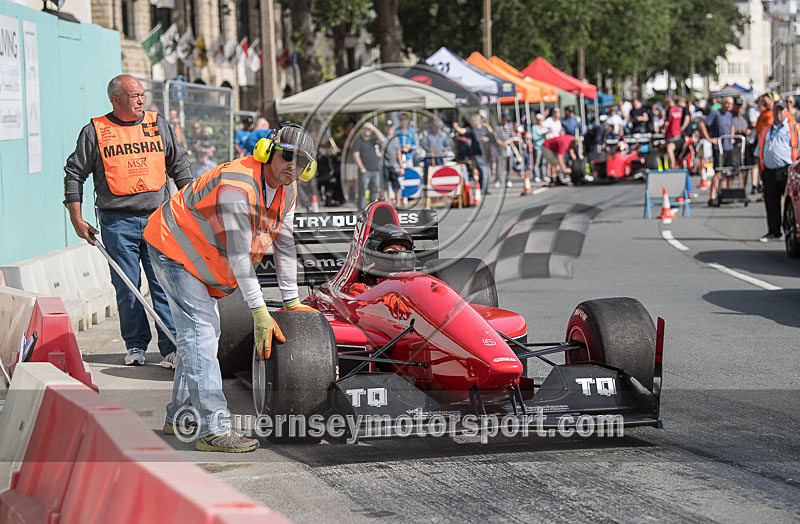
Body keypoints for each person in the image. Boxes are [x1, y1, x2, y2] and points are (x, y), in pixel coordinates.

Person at [144, 123, 319, 452]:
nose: (292, 167)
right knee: (202, 333)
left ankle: (181, 415)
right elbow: (240, 255)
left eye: (301, 162)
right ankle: (213, 429)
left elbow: (284, 245)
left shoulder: (289, 191)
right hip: (173, 248)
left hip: (198, 256)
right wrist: (259, 311)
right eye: (287, 157)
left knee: (197, 335)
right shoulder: (237, 186)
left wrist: (292, 301)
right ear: (267, 151)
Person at [63, 75, 189, 368]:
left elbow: (179, 164)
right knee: (127, 286)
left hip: (159, 219)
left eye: (142, 95)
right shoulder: (95, 132)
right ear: (115, 100)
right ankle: (135, 345)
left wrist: (191, 205)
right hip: (117, 222)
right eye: (134, 96)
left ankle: (170, 346)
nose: (141, 100)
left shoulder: (157, 125)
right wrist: (76, 218)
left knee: (163, 284)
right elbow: (74, 173)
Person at [754, 100, 800, 242]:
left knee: (789, 203)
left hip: (787, 170)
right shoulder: (766, 130)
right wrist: (760, 173)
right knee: (771, 202)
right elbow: (759, 152)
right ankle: (774, 232)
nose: (778, 113)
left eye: (781, 110)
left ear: (786, 111)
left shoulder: (794, 128)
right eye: (776, 110)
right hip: (769, 171)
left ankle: (790, 231)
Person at [344, 224, 417, 295]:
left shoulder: (422, 282)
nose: (399, 252)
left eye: (402, 249)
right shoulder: (360, 291)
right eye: (391, 249)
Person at [699, 96, 736, 206]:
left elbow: (731, 126)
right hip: (718, 148)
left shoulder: (729, 115)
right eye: (727, 103)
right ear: (723, 103)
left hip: (728, 147)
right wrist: (709, 138)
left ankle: (723, 194)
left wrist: (732, 137)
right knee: (718, 172)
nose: (729, 106)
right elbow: (702, 124)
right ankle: (712, 196)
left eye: (731, 104)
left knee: (727, 172)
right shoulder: (715, 113)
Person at [352, 122, 387, 210]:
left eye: (369, 129)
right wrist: (362, 168)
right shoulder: (358, 140)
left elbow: (383, 140)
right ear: (362, 130)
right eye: (365, 128)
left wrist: (374, 128)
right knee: (363, 190)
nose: (367, 130)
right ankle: (361, 209)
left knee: (374, 190)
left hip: (375, 169)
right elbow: (356, 155)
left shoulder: (373, 139)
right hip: (365, 170)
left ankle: (372, 208)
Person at [380, 121, 403, 206]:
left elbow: (398, 153)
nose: (389, 129)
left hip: (394, 166)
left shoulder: (396, 139)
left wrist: (401, 166)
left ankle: (398, 203)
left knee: (397, 186)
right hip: (384, 165)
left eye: (391, 127)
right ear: (385, 128)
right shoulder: (382, 138)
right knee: (385, 186)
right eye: (388, 127)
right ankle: (387, 203)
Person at [665, 96, 690, 169]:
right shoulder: (679, 110)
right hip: (677, 136)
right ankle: (673, 165)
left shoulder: (672, 110)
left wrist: (681, 129)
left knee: (669, 149)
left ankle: (672, 166)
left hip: (674, 136)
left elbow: (666, 124)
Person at [492, 112, 515, 187]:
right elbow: (495, 138)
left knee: (509, 165)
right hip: (500, 148)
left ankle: (509, 180)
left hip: (508, 147)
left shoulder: (510, 126)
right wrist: (502, 143)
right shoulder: (497, 127)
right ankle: (498, 180)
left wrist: (506, 143)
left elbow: (512, 137)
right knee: (499, 165)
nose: (506, 121)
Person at [531, 113, 547, 182]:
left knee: (543, 162)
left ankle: (543, 175)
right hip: (537, 147)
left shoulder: (544, 127)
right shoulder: (534, 127)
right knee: (537, 162)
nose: (539, 121)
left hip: (544, 147)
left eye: (540, 120)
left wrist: (545, 136)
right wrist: (542, 135)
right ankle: (536, 176)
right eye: (538, 120)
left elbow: (547, 137)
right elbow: (535, 137)